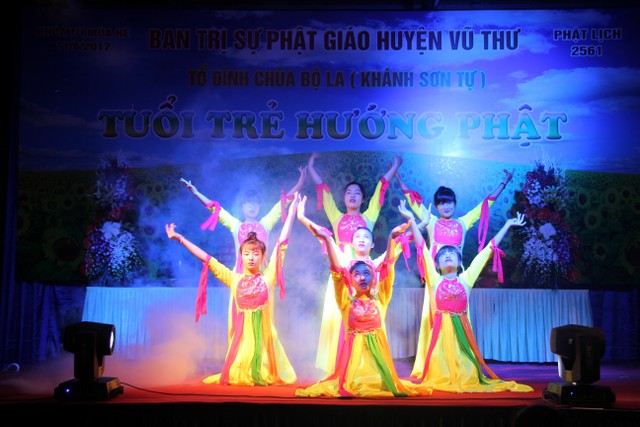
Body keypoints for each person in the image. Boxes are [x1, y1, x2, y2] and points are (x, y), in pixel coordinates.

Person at [294, 195, 431, 397]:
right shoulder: (344, 262)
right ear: (351, 243)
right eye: (357, 237)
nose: (361, 239)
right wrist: (302, 218)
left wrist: (422, 223)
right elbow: (325, 238)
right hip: (351, 316)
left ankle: (373, 375)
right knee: (349, 352)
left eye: (366, 237)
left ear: (372, 244)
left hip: (373, 317)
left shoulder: (377, 265)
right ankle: (349, 376)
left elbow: (398, 244)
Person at [164, 193, 301, 386]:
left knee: (268, 365)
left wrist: (293, 212)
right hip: (242, 341)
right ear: (240, 256)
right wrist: (180, 239)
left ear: (262, 256)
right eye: (247, 253)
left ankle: (264, 367)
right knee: (239, 368)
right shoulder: (233, 278)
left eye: (255, 253)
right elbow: (207, 258)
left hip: (266, 340)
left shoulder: (268, 277)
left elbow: (281, 245)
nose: (251, 257)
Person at [405, 201, 533, 393]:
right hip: (440, 331)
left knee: (467, 371)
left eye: (452, 253)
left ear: (459, 262)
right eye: (443, 254)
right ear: (436, 264)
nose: (448, 255)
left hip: (462, 329)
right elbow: (421, 246)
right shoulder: (434, 279)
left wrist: (507, 225)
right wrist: (413, 221)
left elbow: (489, 248)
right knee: (439, 370)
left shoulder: (467, 278)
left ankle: (464, 372)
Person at [180, 166, 307, 352]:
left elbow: (284, 203)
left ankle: (264, 356)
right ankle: (239, 355)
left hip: (263, 279)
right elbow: (215, 209)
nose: (252, 206)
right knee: (238, 319)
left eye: (255, 203)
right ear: (242, 207)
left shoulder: (265, 223)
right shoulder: (236, 225)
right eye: (248, 203)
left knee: (265, 319)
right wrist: (196, 192)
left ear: (259, 207)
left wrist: (300, 183)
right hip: (240, 279)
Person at [307, 152, 404, 375]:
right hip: (342, 272)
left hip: (363, 275)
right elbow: (324, 193)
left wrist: (395, 166)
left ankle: (364, 363)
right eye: (349, 193)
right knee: (338, 316)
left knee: (364, 317)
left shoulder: (369, 217)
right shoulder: (337, 217)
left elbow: (380, 189)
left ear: (363, 199)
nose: (352, 196)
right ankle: (337, 364)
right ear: (344, 199)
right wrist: (311, 168)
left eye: (357, 193)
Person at [395, 169, 514, 267]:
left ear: (455, 203)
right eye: (442, 203)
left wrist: (505, 182)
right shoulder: (431, 220)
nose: (446, 207)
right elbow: (413, 201)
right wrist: (397, 176)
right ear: (436, 207)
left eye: (449, 202)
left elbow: (486, 204)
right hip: (434, 275)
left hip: (457, 275)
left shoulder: (464, 222)